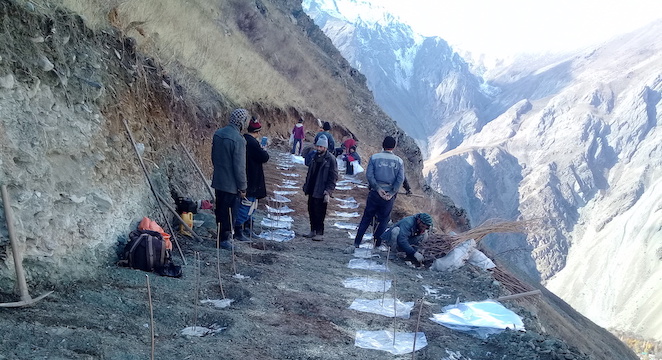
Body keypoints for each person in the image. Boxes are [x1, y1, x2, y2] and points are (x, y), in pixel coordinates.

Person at [352, 136, 404, 249]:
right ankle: (377, 244)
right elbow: (400, 179)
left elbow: (369, 175)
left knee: (367, 217)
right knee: (383, 220)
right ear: (394, 147)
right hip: (389, 195)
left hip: (375, 193)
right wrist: (391, 192)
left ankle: (357, 242)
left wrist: (377, 188)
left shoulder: (374, 158)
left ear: (382, 145)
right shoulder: (399, 161)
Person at [211, 108, 250, 249]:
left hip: (219, 180)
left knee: (220, 209)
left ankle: (219, 236)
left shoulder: (218, 134)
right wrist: (243, 187)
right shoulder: (239, 140)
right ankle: (224, 239)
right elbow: (239, 167)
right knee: (229, 212)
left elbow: (214, 157)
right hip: (231, 184)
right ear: (242, 122)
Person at [233, 116, 269, 241]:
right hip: (252, 179)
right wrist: (264, 150)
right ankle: (239, 230)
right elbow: (264, 157)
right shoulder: (253, 143)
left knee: (249, 206)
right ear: (257, 132)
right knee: (247, 206)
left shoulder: (243, 140)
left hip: (247, 177)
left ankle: (246, 228)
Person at [302, 135, 338, 241]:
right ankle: (312, 230)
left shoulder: (330, 159)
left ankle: (319, 233)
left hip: (322, 190)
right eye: (317, 146)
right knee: (311, 209)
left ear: (325, 148)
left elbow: (333, 177)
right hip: (312, 188)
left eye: (321, 147)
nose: (319, 149)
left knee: (320, 212)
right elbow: (309, 170)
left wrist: (328, 191)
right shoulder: (314, 156)